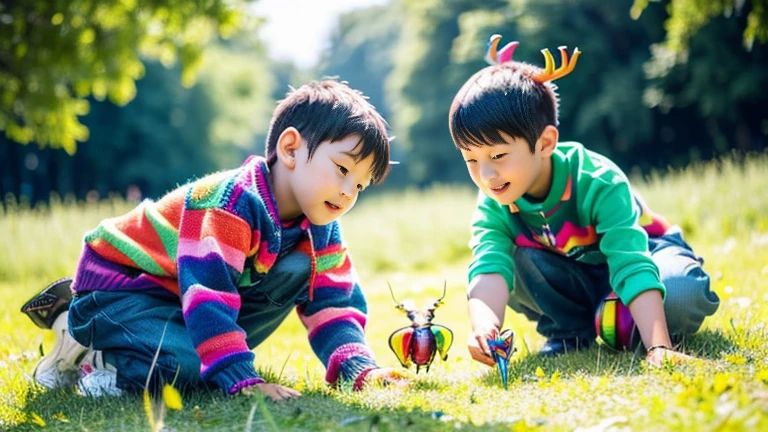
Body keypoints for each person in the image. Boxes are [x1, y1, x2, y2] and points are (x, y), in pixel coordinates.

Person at [23, 79, 403, 400]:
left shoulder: (320, 227)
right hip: (122, 291)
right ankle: (86, 345)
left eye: (359, 185)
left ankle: (149, 350)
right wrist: (242, 380)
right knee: (182, 368)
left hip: (177, 303)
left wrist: (360, 370)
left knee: (299, 269)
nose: (347, 192)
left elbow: (335, 305)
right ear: (290, 149)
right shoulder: (229, 205)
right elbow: (208, 298)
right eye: (341, 169)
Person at [448, 35, 720, 367]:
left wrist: (658, 349)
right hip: (578, 274)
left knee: (681, 294)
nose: (486, 175)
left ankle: (631, 322)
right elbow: (488, 266)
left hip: (648, 254)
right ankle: (572, 332)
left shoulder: (597, 180)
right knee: (513, 259)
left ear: (545, 143)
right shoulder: (495, 198)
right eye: (471, 160)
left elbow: (631, 260)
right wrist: (484, 327)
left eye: (499, 155)